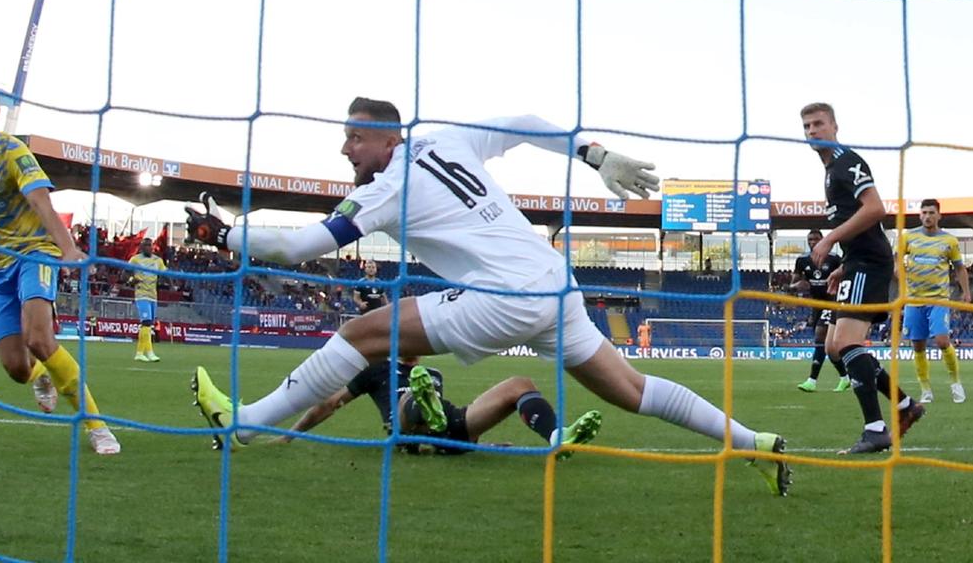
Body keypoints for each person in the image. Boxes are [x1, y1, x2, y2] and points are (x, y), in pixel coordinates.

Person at [187, 98, 790, 495]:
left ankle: (245, 424)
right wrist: (595, 155)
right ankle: (754, 444)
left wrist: (227, 233)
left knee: (360, 335)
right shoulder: (450, 140)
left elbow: (298, 249)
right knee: (632, 390)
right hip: (555, 284)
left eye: (351, 138)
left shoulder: (388, 186)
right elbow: (524, 123)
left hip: (505, 294)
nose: (345, 151)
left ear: (381, 135)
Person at [0, 79, 119, 454]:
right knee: (17, 369)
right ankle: (41, 377)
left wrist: (68, 249)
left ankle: (97, 426)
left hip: (33, 252)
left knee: (39, 337)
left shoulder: (14, 153)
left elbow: (41, 203)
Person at [801, 102, 923, 454]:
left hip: (871, 263)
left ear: (835, 126)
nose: (812, 131)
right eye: (807, 126)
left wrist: (830, 238)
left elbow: (875, 209)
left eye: (818, 124)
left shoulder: (846, 162)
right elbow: (860, 221)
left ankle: (876, 429)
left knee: (849, 345)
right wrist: (843, 264)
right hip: (858, 262)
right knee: (833, 347)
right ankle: (904, 406)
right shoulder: (829, 170)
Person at [277, 357, 602, 457]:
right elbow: (330, 404)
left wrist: (482, 443)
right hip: (404, 428)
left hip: (446, 428)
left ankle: (558, 436)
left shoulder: (434, 373)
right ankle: (423, 408)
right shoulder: (375, 369)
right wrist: (289, 435)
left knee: (519, 383)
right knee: (411, 398)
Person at [897, 199, 969, 404]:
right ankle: (925, 388)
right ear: (919, 215)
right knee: (917, 346)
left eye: (931, 212)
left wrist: (966, 292)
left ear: (939, 215)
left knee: (941, 341)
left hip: (939, 299)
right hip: (913, 299)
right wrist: (899, 274)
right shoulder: (908, 237)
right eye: (924, 212)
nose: (927, 216)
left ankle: (956, 384)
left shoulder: (949, 240)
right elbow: (897, 261)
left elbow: (959, 268)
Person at [790, 229, 849, 393]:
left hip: (832, 302)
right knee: (826, 345)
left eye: (816, 239)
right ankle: (845, 377)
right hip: (816, 304)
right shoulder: (802, 261)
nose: (813, 242)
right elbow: (796, 282)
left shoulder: (834, 259)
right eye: (810, 239)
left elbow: (845, 275)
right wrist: (795, 286)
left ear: (823, 240)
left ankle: (812, 381)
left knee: (820, 335)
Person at [128, 238, 165, 363]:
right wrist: (131, 280)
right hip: (141, 294)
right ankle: (150, 352)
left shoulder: (158, 261)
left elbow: (164, 273)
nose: (150, 247)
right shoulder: (135, 259)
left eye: (151, 245)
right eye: (147, 245)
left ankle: (139, 353)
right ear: (142, 247)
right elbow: (124, 274)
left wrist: (170, 283)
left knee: (148, 325)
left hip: (153, 296)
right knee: (147, 322)